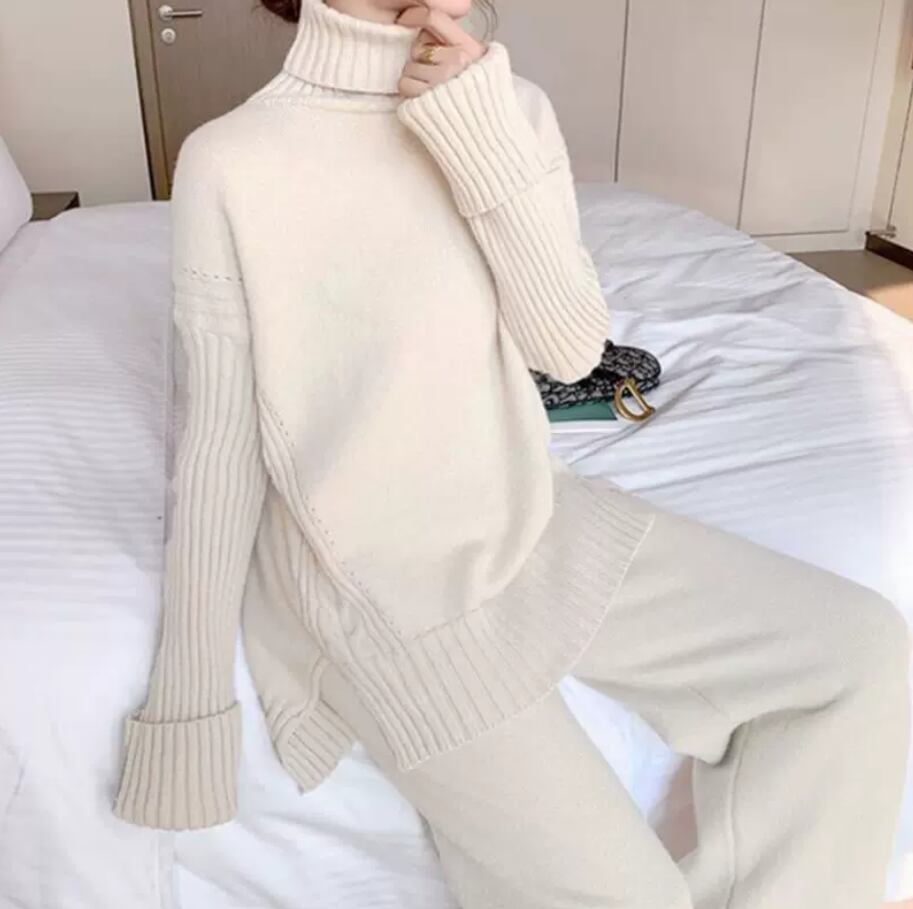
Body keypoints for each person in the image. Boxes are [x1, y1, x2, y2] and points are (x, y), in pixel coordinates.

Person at [111, 1, 912, 906]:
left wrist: (479, 132)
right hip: (373, 589)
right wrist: (188, 707)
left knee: (855, 655)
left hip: (526, 514)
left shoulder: (504, 106)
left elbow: (568, 351)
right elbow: (219, 447)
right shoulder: (234, 160)